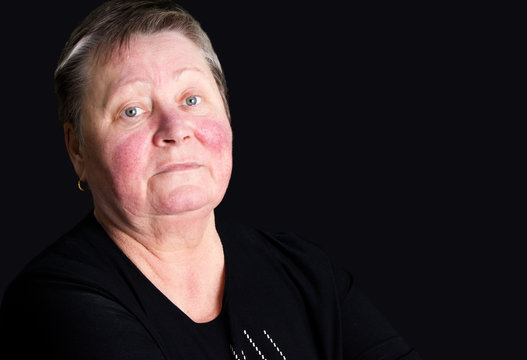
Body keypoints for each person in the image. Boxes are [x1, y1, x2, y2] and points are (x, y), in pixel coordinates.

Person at [0, 1, 421, 359]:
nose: (176, 127)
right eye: (132, 110)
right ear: (78, 150)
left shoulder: (306, 272)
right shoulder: (52, 305)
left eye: (192, 99)